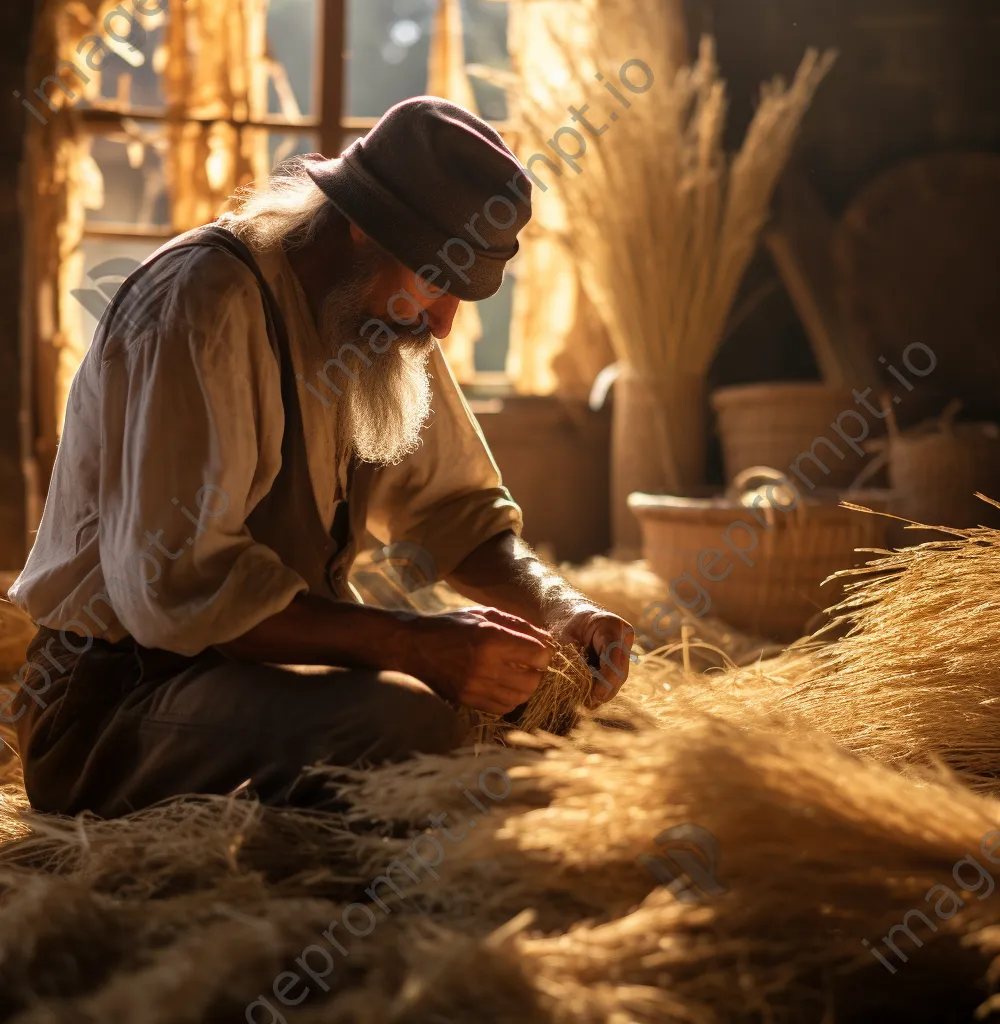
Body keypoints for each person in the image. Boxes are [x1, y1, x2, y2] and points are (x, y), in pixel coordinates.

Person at [6, 97, 634, 817]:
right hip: (119, 703)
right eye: (436, 281)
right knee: (411, 725)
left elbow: (456, 512)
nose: (443, 323)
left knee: (598, 730)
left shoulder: (381, 318)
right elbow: (180, 587)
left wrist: (564, 612)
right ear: (362, 225)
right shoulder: (202, 305)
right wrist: (414, 645)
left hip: (276, 676)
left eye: (460, 294)